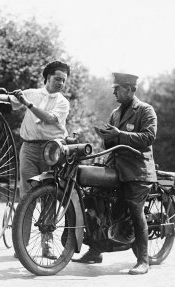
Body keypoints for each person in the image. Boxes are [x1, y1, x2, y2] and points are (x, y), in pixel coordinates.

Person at [72, 72, 157, 275]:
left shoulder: (145, 110)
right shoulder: (116, 113)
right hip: (116, 168)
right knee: (94, 199)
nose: (114, 92)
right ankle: (96, 250)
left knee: (135, 209)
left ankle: (143, 261)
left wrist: (120, 135)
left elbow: (148, 137)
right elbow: (112, 142)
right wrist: (107, 137)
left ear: (129, 89)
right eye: (113, 89)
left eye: (117, 88)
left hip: (138, 170)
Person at [0, 60, 71, 258]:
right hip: (28, 148)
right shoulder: (32, 93)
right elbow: (11, 99)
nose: (60, 83)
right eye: (57, 79)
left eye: (63, 80)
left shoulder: (62, 102)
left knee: (49, 195)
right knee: (27, 195)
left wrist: (27, 104)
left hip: (51, 151)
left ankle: (47, 243)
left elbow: (49, 119)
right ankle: (22, 244)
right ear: (47, 78)